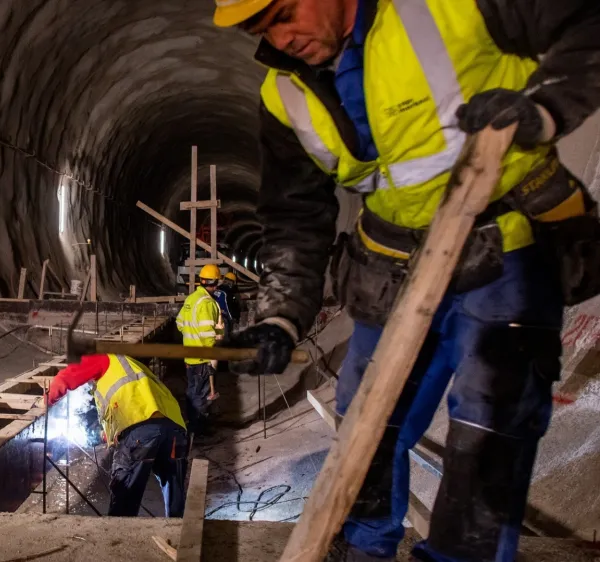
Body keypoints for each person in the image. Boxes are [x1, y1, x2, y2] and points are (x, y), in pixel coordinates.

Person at [214, 0, 600, 560]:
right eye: (261, 28)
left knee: (491, 425)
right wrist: (281, 316)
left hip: (507, 245)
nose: (280, 38)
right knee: (363, 425)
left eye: (285, 13)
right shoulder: (284, 96)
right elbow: (296, 218)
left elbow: (585, 22)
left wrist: (544, 109)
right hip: (391, 267)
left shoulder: (450, 7)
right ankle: (363, 548)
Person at [47, 354, 188, 517]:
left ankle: (118, 539)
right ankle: (179, 534)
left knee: (124, 491)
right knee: (173, 487)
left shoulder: (102, 358)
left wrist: (46, 400)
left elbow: (65, 378)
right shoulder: (132, 366)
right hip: (175, 428)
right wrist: (106, 436)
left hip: (141, 427)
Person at [176, 264, 224, 435]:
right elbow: (207, 335)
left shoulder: (191, 299)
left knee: (191, 392)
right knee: (201, 396)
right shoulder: (208, 303)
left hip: (189, 356)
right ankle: (199, 431)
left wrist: (191, 338)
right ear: (216, 283)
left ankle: (191, 424)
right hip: (203, 359)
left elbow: (180, 324)